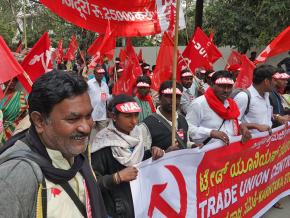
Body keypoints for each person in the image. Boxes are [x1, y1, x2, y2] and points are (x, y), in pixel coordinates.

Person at [0, 70, 107, 217]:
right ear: (39, 121)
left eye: (88, 115)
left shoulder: (78, 154)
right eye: (72, 119)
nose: (86, 127)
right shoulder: (14, 177)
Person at [91, 94, 164, 218]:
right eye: (128, 116)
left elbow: (139, 161)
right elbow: (92, 184)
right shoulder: (102, 143)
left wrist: (152, 153)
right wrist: (117, 177)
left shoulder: (138, 134)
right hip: (115, 210)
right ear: (114, 116)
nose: (134, 121)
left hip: (140, 204)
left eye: (136, 115)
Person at [186, 70, 251, 145]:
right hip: (206, 153)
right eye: (222, 86)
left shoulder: (231, 104)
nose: (226, 90)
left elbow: (231, 121)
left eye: (229, 87)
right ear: (212, 84)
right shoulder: (199, 104)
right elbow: (188, 128)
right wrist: (210, 132)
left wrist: (241, 126)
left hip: (229, 151)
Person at [140, 80, 189, 152]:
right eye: (169, 96)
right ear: (160, 98)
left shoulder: (182, 120)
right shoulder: (146, 125)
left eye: (177, 97)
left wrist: (193, 146)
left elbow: (185, 142)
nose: (173, 100)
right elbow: (141, 155)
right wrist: (164, 153)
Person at [234, 65, 276, 134]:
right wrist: (255, 126)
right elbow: (232, 122)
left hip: (266, 142)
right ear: (266, 81)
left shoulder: (266, 95)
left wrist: (277, 117)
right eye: (274, 80)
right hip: (250, 143)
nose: (275, 83)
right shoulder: (243, 97)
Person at [0, 78, 28, 144]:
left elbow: (26, 115)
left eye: (15, 80)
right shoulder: (1, 95)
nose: (12, 82)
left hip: (12, 132)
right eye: (9, 79)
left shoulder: (22, 97)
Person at [88, 64, 111, 143]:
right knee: (89, 136)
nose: (101, 75)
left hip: (102, 115)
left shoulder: (105, 85)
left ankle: (101, 151)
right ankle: (87, 152)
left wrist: (112, 96)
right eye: (99, 73)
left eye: (102, 73)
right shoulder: (89, 84)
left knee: (103, 135)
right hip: (91, 115)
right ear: (94, 73)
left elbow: (107, 97)